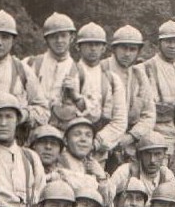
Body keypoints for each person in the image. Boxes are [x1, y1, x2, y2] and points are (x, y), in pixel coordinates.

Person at [0, 10, 50, 133]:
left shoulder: (23, 71)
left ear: (13, 40)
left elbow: (44, 111)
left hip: (14, 142)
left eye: (5, 37)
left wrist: (23, 115)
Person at [63, 23, 129, 161]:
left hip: (98, 151)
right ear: (78, 47)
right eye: (88, 44)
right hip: (67, 149)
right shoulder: (68, 74)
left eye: (97, 44)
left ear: (104, 48)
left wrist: (96, 142)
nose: (93, 48)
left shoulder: (112, 80)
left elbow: (120, 120)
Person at [141, 20, 175, 173]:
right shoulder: (145, 68)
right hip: (155, 141)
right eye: (168, 41)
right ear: (159, 43)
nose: (172, 46)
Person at [102, 25, 155, 170]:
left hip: (129, 145)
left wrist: (131, 136)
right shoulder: (101, 69)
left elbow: (149, 115)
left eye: (132, 49)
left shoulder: (139, 75)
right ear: (114, 49)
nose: (127, 53)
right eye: (123, 48)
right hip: (101, 142)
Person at [25, 12, 79, 117]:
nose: (59, 41)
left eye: (63, 36)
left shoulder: (79, 71)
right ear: (47, 40)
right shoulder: (31, 63)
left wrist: (76, 96)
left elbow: (90, 112)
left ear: (71, 38)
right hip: (34, 124)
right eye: (54, 37)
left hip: (63, 127)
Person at [104, 133, 175, 202]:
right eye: (147, 154)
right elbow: (107, 196)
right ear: (140, 155)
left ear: (164, 155)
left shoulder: (166, 175)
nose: (152, 160)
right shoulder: (126, 171)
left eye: (157, 154)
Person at [56, 116, 109, 185]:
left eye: (88, 135)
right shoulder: (58, 160)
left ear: (93, 143)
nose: (83, 139)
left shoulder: (92, 163)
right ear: (66, 140)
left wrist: (102, 176)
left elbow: (108, 195)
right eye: (77, 134)